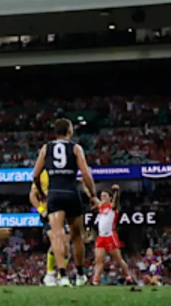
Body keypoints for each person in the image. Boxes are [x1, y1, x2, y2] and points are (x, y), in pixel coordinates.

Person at [32, 118, 94, 287]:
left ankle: (63, 275)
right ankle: (80, 275)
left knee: (57, 234)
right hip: (72, 192)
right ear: (69, 131)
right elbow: (86, 173)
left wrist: (41, 192)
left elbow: (35, 174)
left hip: (54, 193)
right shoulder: (75, 148)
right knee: (77, 235)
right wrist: (93, 195)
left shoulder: (46, 148)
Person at [90, 185, 137, 286]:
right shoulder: (101, 206)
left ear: (110, 198)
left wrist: (116, 192)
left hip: (110, 236)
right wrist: (84, 185)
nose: (102, 198)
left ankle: (129, 278)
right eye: (101, 196)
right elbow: (92, 196)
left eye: (105, 196)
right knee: (98, 260)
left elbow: (116, 201)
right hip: (101, 237)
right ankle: (95, 280)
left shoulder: (112, 207)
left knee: (118, 259)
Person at [29, 170, 59, 286]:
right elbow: (32, 195)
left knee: (65, 243)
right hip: (48, 212)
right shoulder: (42, 174)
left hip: (62, 210)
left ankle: (60, 276)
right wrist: (42, 210)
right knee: (55, 240)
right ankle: (50, 274)